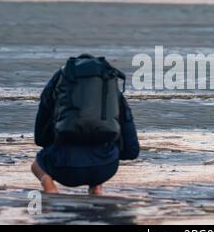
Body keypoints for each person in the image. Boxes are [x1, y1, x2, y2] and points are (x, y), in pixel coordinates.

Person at [31, 54, 139, 195]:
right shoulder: (111, 91)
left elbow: (41, 139)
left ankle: (50, 188)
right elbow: (132, 150)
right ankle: (96, 188)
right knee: (102, 144)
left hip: (63, 168)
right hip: (105, 168)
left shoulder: (59, 85)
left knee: (36, 165)